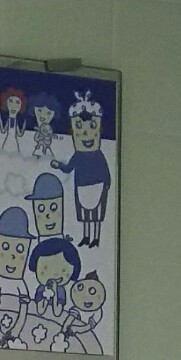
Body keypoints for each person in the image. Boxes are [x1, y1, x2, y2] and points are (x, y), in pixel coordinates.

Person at [54, 89, 111, 247]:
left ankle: (96, 237)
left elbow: (105, 169)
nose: (86, 135)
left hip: (98, 186)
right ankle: (86, 236)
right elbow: (68, 168)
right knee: (86, 214)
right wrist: (59, 165)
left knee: (97, 216)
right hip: (82, 187)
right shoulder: (78, 155)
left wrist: (107, 182)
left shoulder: (98, 154)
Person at [0, 206, 32, 344]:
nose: (12, 256)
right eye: (5, 247)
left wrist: (15, 332)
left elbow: (24, 310)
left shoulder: (21, 284)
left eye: (19, 250)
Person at [30, 172, 64, 240]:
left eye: (54, 208)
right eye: (41, 209)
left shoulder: (66, 245)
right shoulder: (38, 247)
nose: (48, 215)